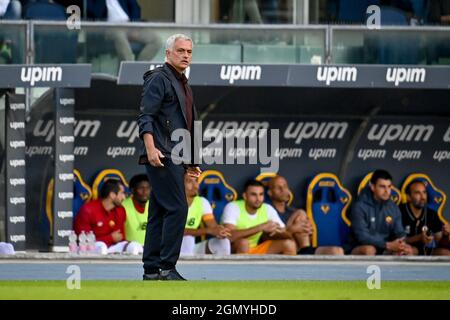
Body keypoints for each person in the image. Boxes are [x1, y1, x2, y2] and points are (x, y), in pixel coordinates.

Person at [138, 34, 201, 281]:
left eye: (189, 51)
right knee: (177, 208)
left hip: (176, 154)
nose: (186, 55)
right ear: (168, 54)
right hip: (162, 154)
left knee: (159, 211)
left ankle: (152, 269)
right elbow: (146, 117)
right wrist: (151, 149)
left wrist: (192, 158)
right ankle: (167, 267)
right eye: (181, 51)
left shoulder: (182, 82)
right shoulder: (158, 78)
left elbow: (188, 122)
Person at [268, 175, 344, 255]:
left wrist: (309, 231)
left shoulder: (293, 211)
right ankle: (305, 252)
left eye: (285, 186)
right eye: (278, 187)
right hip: (284, 250)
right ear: (270, 192)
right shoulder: (267, 210)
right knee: (300, 213)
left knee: (337, 250)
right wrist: (293, 229)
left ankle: (306, 251)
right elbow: (272, 237)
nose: (283, 190)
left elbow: (310, 237)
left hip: (303, 248)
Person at [349, 169, 415, 255]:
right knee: (369, 250)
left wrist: (401, 244)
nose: (387, 190)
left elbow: (399, 233)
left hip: (384, 247)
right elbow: (363, 237)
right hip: (359, 247)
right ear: (372, 187)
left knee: (408, 250)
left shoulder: (393, 207)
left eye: (389, 186)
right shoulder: (359, 206)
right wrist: (387, 245)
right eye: (382, 186)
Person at [222, 180, 297, 255]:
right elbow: (229, 236)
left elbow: (284, 232)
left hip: (255, 249)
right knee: (243, 243)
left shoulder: (267, 208)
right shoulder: (233, 207)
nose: (258, 198)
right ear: (245, 196)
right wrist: (260, 227)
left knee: (289, 244)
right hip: (230, 250)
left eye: (261, 194)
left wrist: (276, 231)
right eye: (253, 195)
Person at [74, 179, 142, 255]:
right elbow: (83, 240)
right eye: (122, 193)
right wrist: (110, 238)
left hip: (113, 247)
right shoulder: (88, 209)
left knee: (135, 246)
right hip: (91, 248)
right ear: (112, 195)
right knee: (102, 247)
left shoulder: (121, 210)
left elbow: (120, 238)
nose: (124, 197)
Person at [87, 0, 161, 61]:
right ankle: (129, 68)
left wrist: (134, 26)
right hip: (109, 28)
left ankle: (139, 68)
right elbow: (94, 13)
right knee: (119, 35)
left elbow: (135, 8)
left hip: (129, 26)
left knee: (155, 40)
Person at [180, 174, 232, 256]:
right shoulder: (169, 202)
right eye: (189, 181)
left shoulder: (202, 202)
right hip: (165, 250)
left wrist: (219, 231)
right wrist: (208, 230)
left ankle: (222, 268)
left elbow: (212, 225)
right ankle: (183, 268)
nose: (195, 186)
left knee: (223, 242)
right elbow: (176, 232)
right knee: (187, 238)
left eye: (196, 181)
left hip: (189, 249)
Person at [400, 180, 450, 256]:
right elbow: (396, 240)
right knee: (408, 251)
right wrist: (419, 237)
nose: (423, 197)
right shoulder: (399, 212)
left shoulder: (431, 214)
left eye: (424, 192)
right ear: (408, 197)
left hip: (427, 251)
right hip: (407, 249)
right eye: (417, 193)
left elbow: (440, 242)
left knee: (446, 253)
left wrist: (446, 235)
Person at [123, 174, 150, 246]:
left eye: (147, 188)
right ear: (132, 190)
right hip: (130, 252)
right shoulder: (123, 207)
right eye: (141, 188)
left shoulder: (155, 206)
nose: (145, 191)